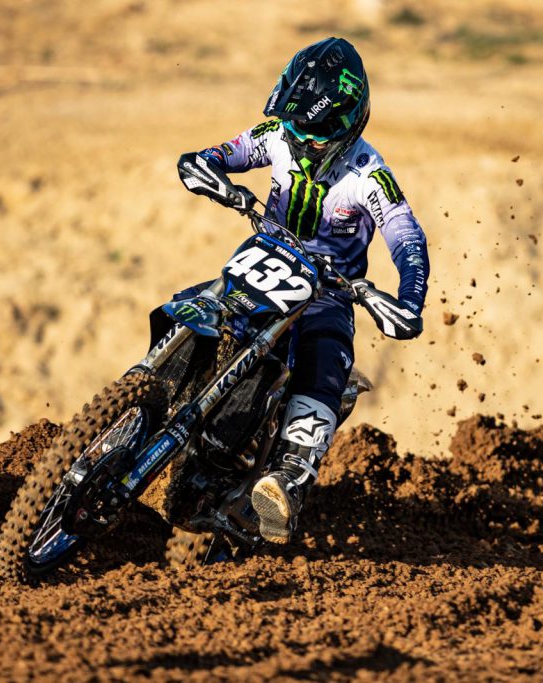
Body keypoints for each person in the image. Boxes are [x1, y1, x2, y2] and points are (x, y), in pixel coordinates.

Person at [176, 37, 429, 543]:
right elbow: (222, 153)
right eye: (291, 128)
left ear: (345, 126)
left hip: (327, 293)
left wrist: (408, 300)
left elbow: (407, 238)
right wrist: (208, 170)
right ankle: (150, 394)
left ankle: (287, 480)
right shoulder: (276, 134)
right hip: (261, 263)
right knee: (193, 302)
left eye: (309, 134)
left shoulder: (369, 175)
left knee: (324, 356)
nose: (296, 140)